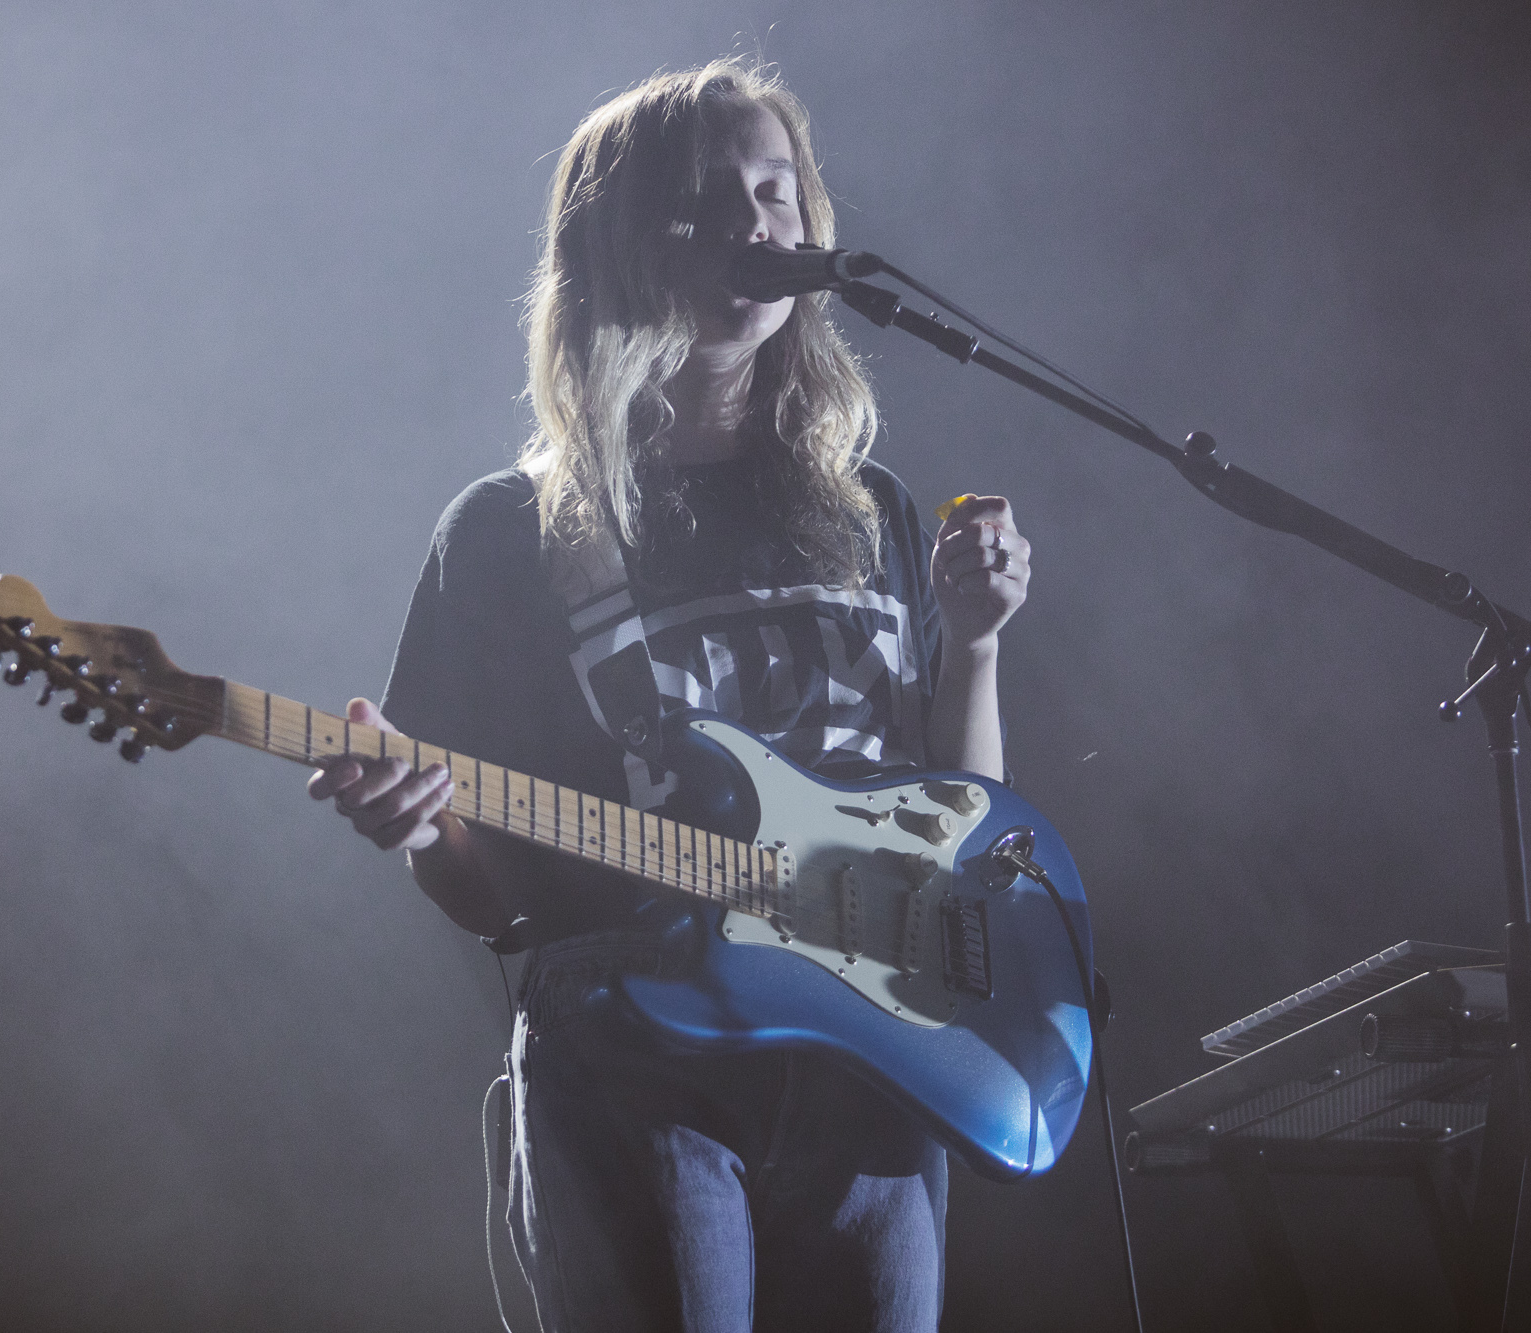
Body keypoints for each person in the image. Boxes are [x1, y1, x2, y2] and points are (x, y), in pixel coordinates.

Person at [308, 59, 1032, 1333]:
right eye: (711, 201)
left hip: (867, 1067)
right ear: (622, 245)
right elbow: (499, 903)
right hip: (635, 1061)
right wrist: (420, 823)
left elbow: (960, 820)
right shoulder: (509, 532)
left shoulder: (872, 513)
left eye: (776, 191)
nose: (759, 227)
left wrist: (974, 643)